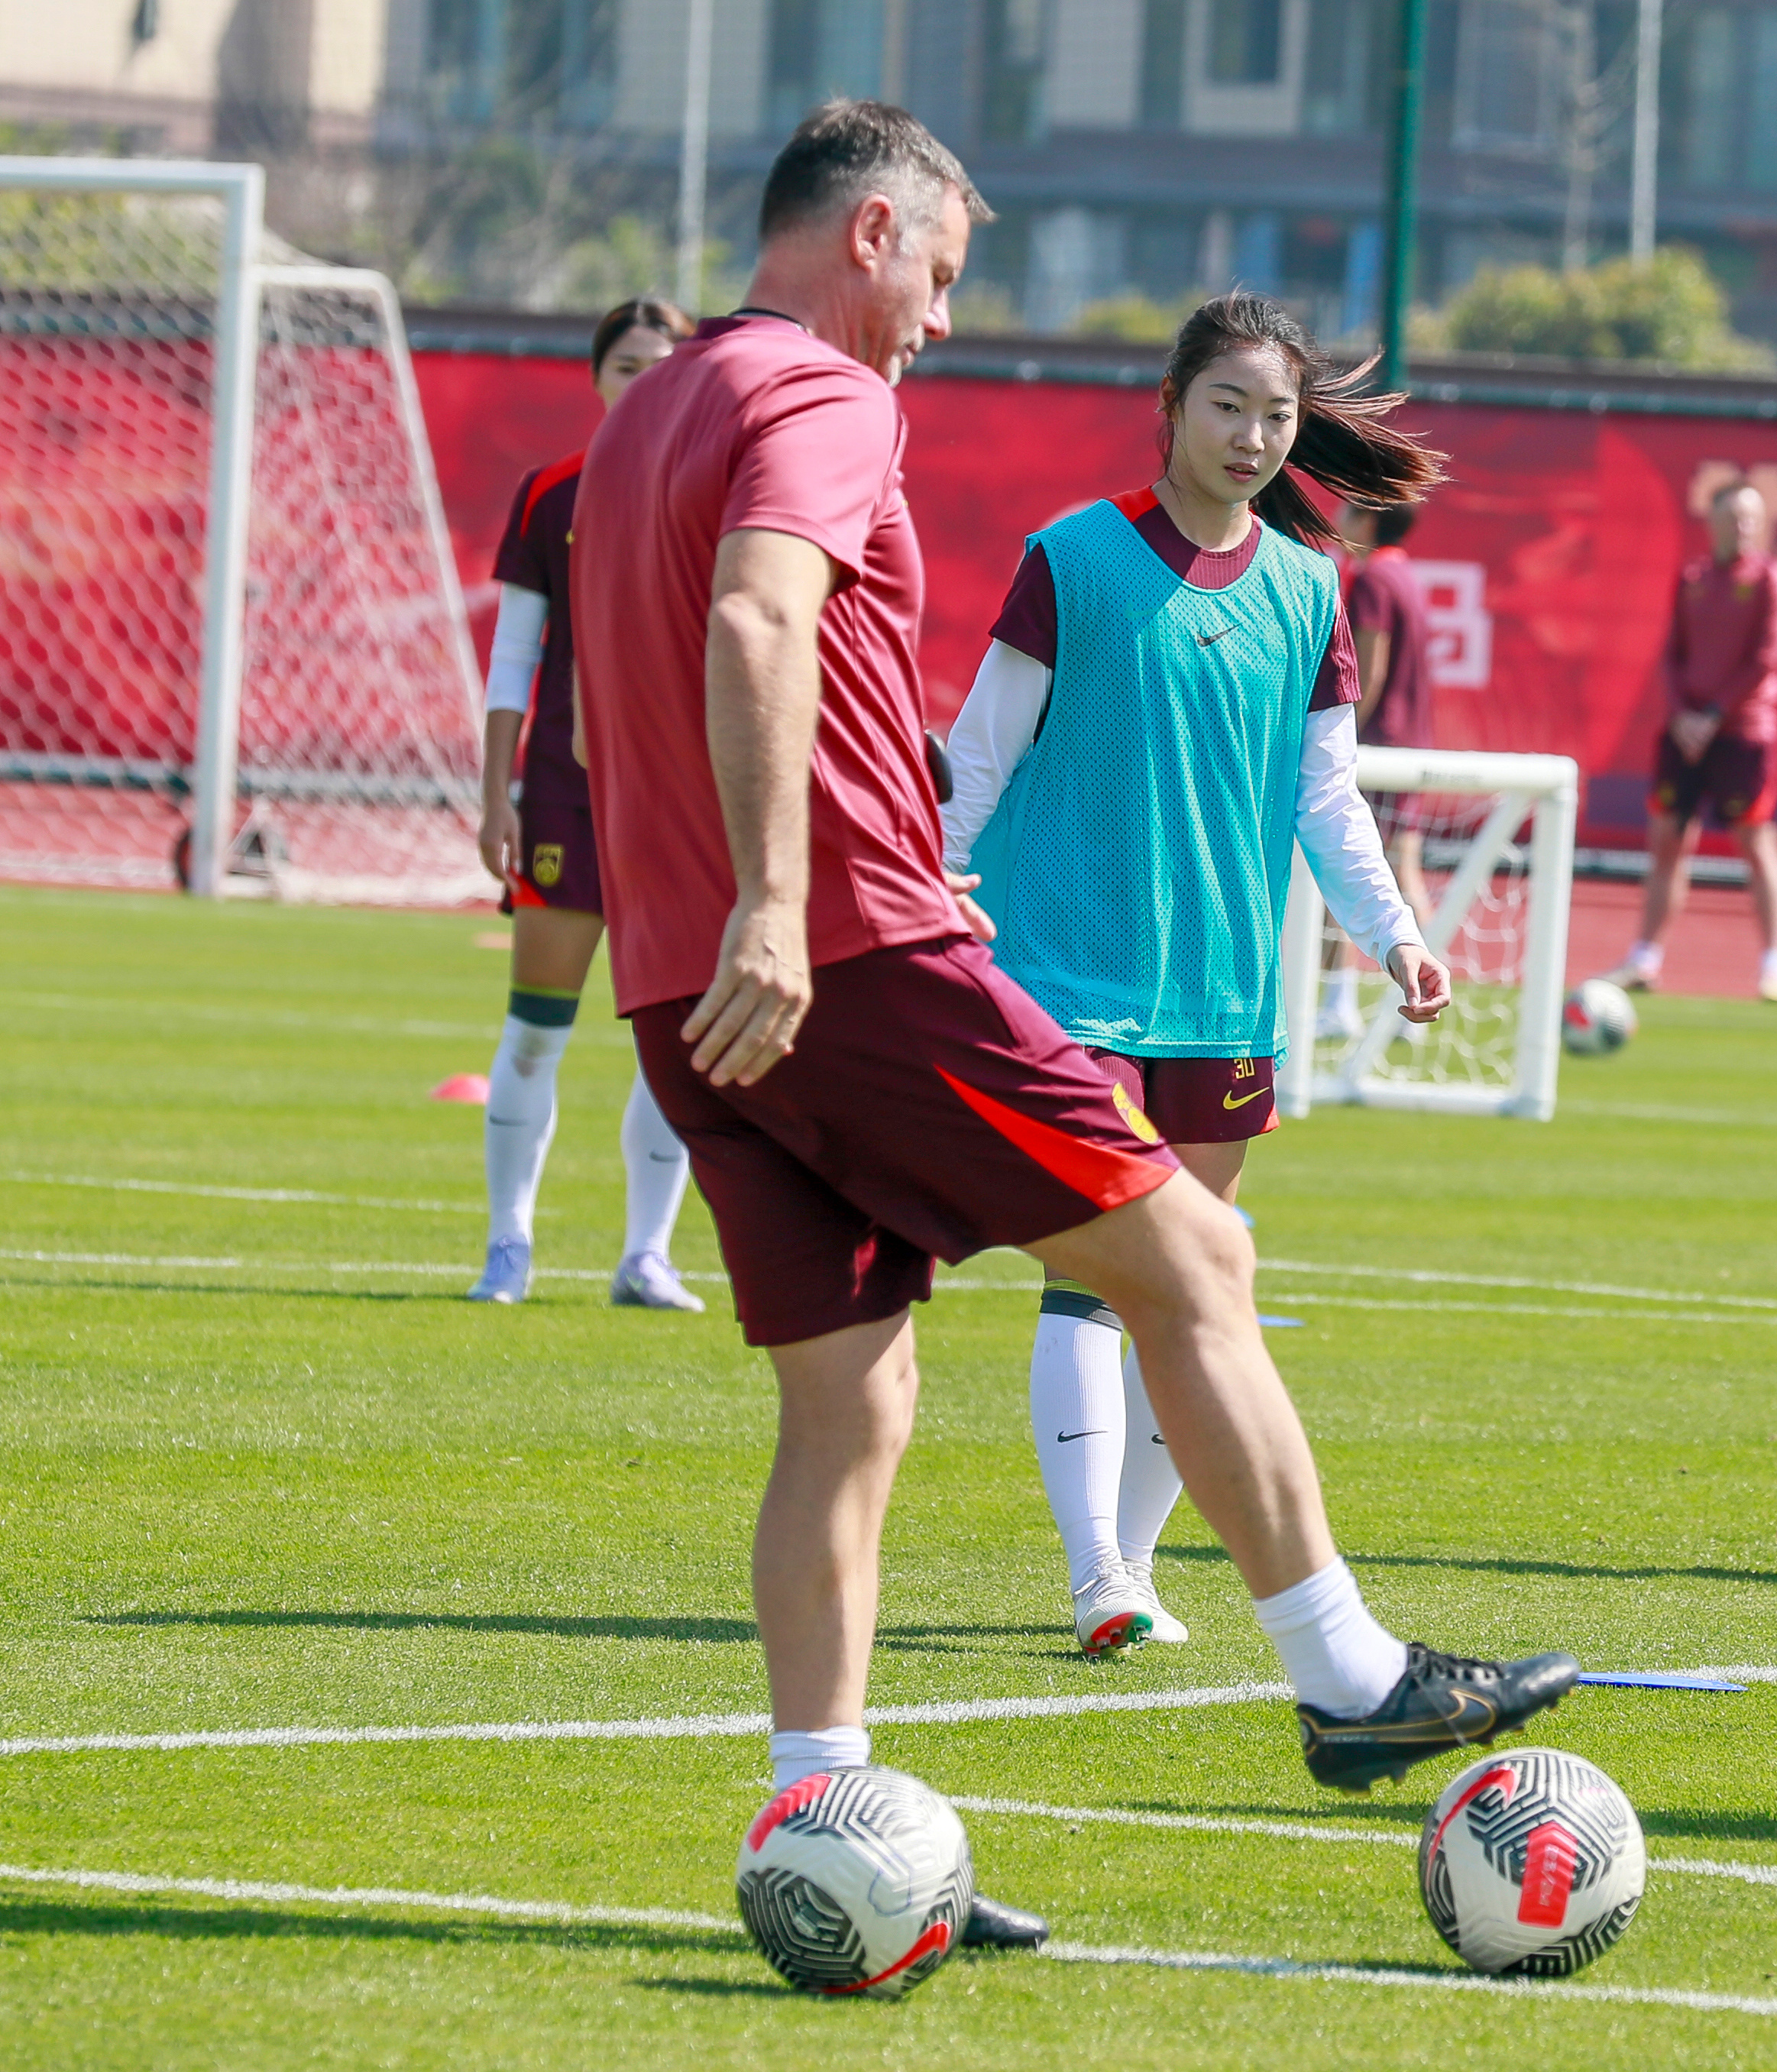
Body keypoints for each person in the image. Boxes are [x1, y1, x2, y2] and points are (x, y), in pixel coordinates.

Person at [565, 108, 1577, 1951]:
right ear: (869, 232)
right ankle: (1346, 1673)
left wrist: (725, 911)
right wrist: (793, 901)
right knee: (1193, 1245)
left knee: (848, 1401)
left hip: (677, 985)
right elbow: (754, 614)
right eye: (939, 275)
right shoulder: (824, 392)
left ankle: (827, 1822)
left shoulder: (647, 404)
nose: (940, 324)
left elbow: (668, 660)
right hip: (842, 955)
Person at [940, 292, 1453, 1656]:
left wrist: (1392, 929)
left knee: (1200, 1282)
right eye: (1227, 404)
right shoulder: (1073, 558)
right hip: (1068, 975)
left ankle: (1137, 1565)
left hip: (1224, 992)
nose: (1250, 434)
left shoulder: (1308, 589)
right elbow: (977, 752)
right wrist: (924, 876)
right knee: (1094, 1276)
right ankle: (1095, 1573)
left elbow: (1327, 800)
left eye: (1276, 415)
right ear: (1170, 407)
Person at [466, 296, 704, 1311]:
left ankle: (646, 1254)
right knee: (533, 1031)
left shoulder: (722, 492)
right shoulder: (551, 496)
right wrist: (497, 795)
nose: (645, 382)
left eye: (665, 365)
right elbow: (514, 659)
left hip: (681, 812)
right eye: (627, 366)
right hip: (564, 805)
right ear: (597, 377)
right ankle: (507, 1245)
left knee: (677, 1046)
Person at [1601, 481, 1777, 1004]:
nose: (1742, 527)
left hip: (1743, 734)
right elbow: (1672, 655)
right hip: (1684, 734)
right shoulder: (1692, 578)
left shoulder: (1771, 578)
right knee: (1667, 841)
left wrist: (1712, 717)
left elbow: (1766, 658)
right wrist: (1684, 717)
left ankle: (1775, 963)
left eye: (1750, 518)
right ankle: (1645, 956)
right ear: (1711, 522)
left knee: (1757, 844)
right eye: (1732, 517)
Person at [1319, 498, 1438, 1041]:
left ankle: (1338, 1000)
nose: (1338, 520)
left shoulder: (1371, 579)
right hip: (1409, 742)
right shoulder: (1406, 574)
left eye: (1346, 511)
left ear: (1368, 522)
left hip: (1379, 746)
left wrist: (1342, 734)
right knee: (1403, 868)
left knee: (1342, 868)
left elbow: (1368, 667)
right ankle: (1425, 989)